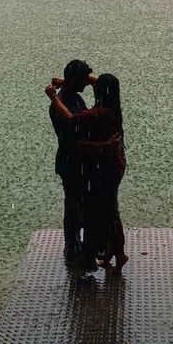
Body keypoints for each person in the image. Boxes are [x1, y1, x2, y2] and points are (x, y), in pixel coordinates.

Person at [46, 73, 128, 274]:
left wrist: (53, 96)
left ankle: (119, 253)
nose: (90, 85)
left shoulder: (100, 112)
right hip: (115, 165)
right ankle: (109, 252)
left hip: (109, 168)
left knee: (110, 211)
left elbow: (70, 117)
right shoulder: (112, 104)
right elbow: (95, 80)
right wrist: (65, 82)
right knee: (108, 209)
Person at [48, 59, 95, 265]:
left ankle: (80, 246)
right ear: (75, 80)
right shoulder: (61, 103)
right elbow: (73, 123)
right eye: (83, 80)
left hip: (78, 160)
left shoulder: (72, 95)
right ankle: (72, 248)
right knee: (74, 205)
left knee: (81, 203)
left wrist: (66, 81)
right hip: (71, 161)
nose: (87, 84)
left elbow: (97, 82)